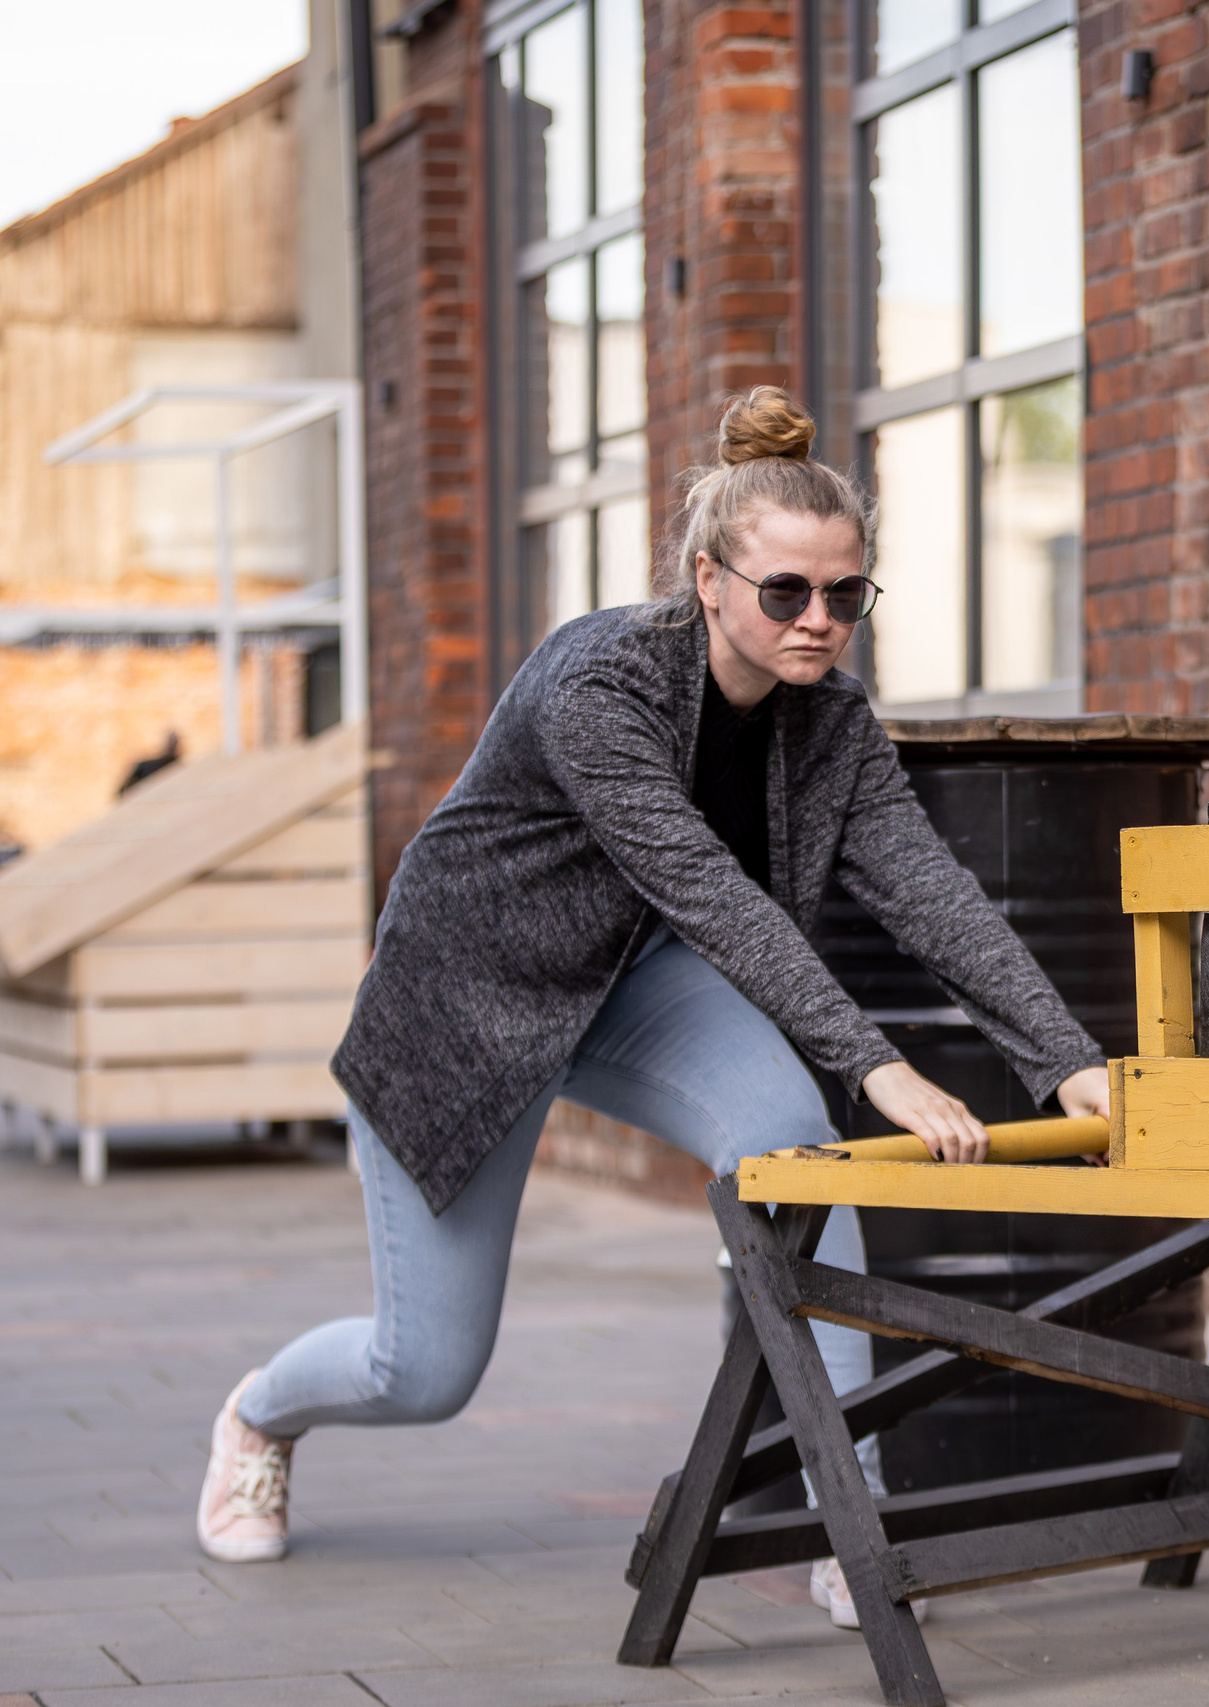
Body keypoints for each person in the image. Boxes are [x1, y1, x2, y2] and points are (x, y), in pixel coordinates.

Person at [197, 388, 1108, 1631]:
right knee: (424, 1371)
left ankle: (854, 1511)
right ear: (709, 579)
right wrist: (881, 1064)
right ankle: (260, 1411)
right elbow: (710, 891)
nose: (819, 621)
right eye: (786, 591)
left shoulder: (831, 723)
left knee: (797, 1143)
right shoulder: (601, 680)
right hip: (468, 1000)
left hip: (636, 985)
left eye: (847, 594)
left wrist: (1066, 1060)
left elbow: (929, 892)